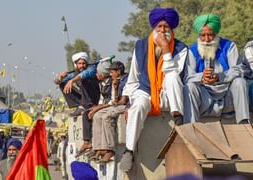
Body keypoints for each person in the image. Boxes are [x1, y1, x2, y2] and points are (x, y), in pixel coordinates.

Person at [119, 8, 188, 172]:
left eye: (166, 28)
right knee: (138, 106)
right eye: (159, 27)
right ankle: (129, 151)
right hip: (146, 92)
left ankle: (178, 119)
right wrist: (127, 101)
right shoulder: (141, 46)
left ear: (172, 29)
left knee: (171, 77)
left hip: (169, 96)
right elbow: (134, 77)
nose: (163, 31)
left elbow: (173, 73)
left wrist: (166, 49)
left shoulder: (180, 48)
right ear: (154, 28)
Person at [183, 13, 249, 124]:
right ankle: (192, 128)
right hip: (205, 98)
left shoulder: (229, 46)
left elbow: (238, 70)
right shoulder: (193, 50)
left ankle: (243, 123)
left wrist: (219, 77)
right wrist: (202, 77)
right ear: (198, 35)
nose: (206, 39)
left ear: (216, 33)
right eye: (202, 35)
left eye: (210, 35)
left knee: (240, 81)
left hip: (227, 95)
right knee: (189, 87)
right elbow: (188, 77)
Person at [91, 61, 128, 163]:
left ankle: (110, 149)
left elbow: (122, 101)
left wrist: (116, 88)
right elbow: (115, 100)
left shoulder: (126, 80)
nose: (110, 75)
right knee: (97, 116)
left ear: (119, 71)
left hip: (127, 106)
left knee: (107, 116)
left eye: (112, 72)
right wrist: (115, 88)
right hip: (117, 104)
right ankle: (99, 147)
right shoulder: (114, 80)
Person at [76, 59, 112, 157]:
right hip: (104, 105)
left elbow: (113, 101)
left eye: (98, 73)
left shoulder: (113, 83)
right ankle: (91, 144)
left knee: (101, 117)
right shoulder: (102, 83)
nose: (96, 75)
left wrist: (97, 108)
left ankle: (105, 148)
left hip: (112, 106)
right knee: (86, 113)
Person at [54, 52, 100, 117]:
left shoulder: (91, 69)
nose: (82, 66)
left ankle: (84, 106)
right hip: (84, 98)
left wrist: (71, 81)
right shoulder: (74, 73)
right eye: (79, 64)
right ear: (76, 65)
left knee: (83, 79)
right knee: (62, 84)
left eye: (83, 63)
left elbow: (84, 74)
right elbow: (57, 82)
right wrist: (60, 77)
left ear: (86, 63)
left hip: (93, 97)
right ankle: (79, 106)